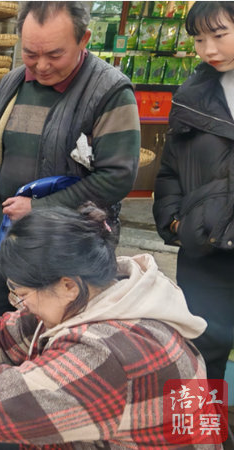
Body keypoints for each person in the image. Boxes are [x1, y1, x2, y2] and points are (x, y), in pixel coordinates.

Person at [0, 204, 208, 448]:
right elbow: (6, 334)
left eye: (23, 294)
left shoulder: (108, 351)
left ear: (67, 285)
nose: (20, 305)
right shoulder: (101, 291)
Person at [0, 1, 141, 324]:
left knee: (49, 334)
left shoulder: (110, 92)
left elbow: (117, 177)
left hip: (69, 244)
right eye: (30, 53)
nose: (41, 66)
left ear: (84, 39)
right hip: (5, 231)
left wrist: (39, 208)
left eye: (55, 55)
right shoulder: (12, 84)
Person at [153, 1, 234, 382]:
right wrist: (175, 221)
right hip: (205, 250)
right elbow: (170, 168)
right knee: (197, 357)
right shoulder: (191, 95)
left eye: (219, 35)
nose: (208, 50)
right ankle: (197, 422)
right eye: (199, 39)